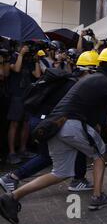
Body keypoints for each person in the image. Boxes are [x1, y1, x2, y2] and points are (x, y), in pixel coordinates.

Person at [0, 47, 107, 224]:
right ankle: (97, 197)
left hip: (54, 126)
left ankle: (12, 196)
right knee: (99, 154)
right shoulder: (104, 81)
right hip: (71, 124)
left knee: (60, 172)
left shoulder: (93, 79)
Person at [0, 51, 101, 194]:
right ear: (91, 70)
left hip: (41, 120)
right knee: (47, 156)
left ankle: (78, 180)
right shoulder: (75, 85)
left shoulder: (70, 81)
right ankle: (12, 177)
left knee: (74, 148)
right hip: (45, 123)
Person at [6, 45, 41, 165]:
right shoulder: (12, 57)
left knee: (26, 124)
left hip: (28, 95)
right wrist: (20, 54)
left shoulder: (29, 60)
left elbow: (37, 75)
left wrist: (36, 60)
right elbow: (16, 69)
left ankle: (23, 149)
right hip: (16, 95)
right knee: (14, 123)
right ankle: (11, 153)